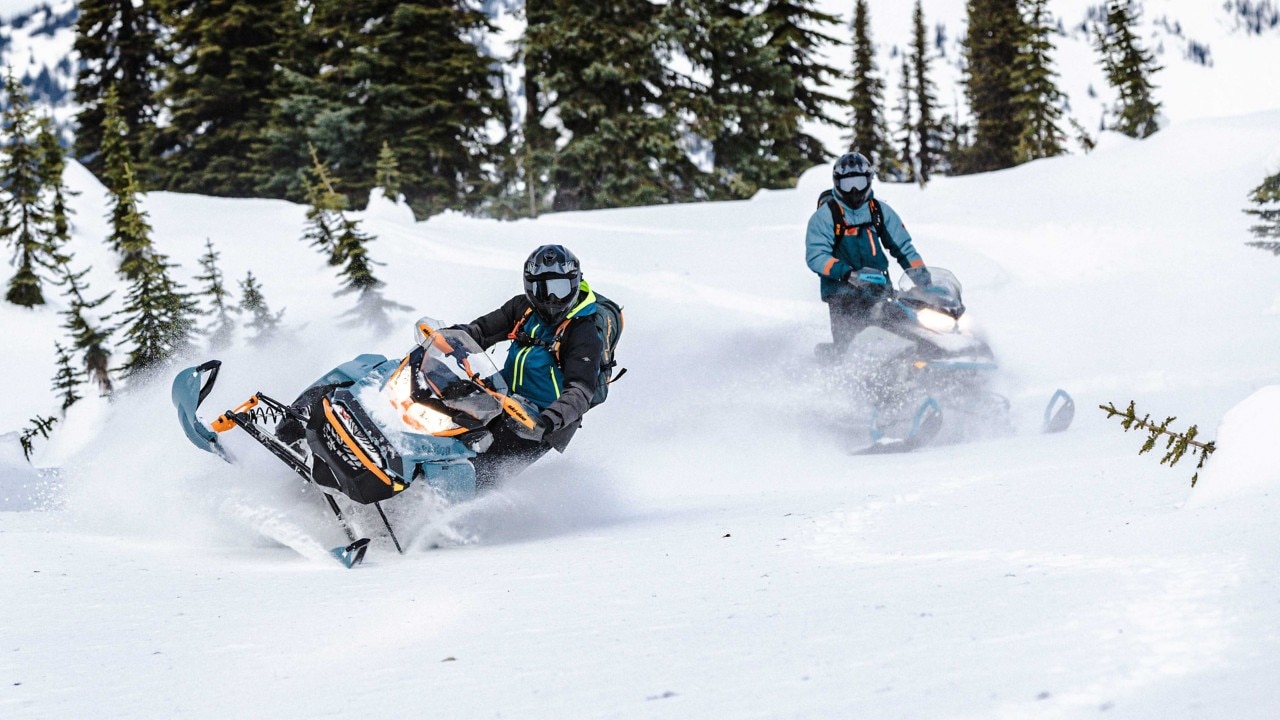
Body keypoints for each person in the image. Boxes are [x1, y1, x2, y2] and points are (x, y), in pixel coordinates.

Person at [450, 244, 603, 487]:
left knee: (481, 468)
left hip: (538, 421)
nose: (552, 298)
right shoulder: (522, 308)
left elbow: (580, 392)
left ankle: (445, 513)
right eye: (542, 289)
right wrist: (451, 336)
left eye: (560, 289)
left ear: (574, 285)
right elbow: (482, 330)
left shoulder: (583, 331)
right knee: (443, 411)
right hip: (502, 396)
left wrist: (548, 420)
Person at [805, 152, 931, 359]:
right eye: (847, 184)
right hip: (843, 295)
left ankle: (926, 368)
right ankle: (846, 382)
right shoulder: (825, 216)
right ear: (837, 183)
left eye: (859, 182)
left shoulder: (879, 210)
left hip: (880, 290)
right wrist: (846, 273)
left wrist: (924, 281)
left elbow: (903, 247)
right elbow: (816, 255)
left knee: (909, 330)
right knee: (854, 348)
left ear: (869, 181)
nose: (854, 190)